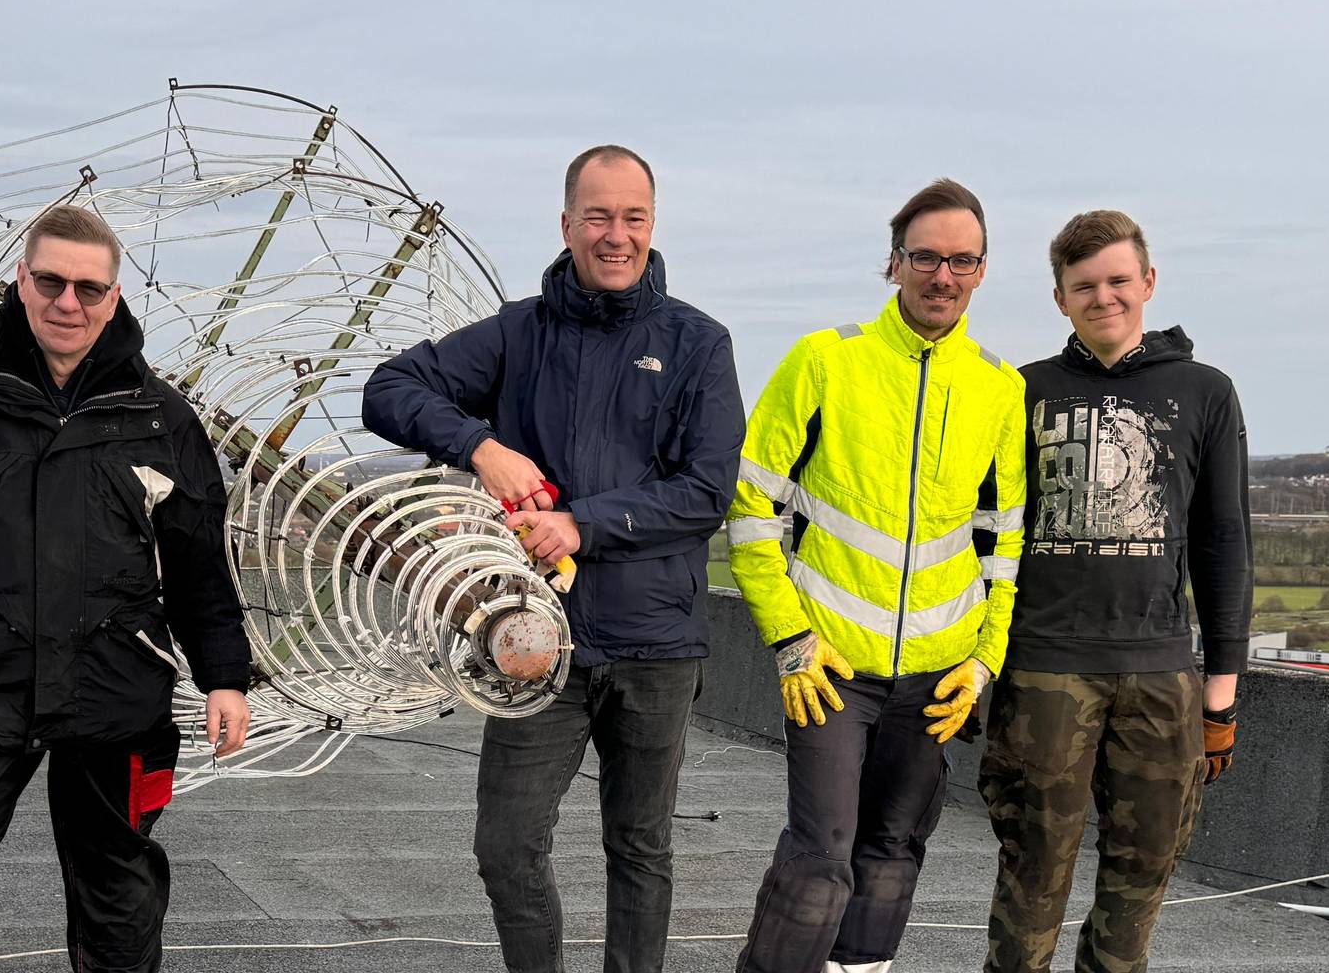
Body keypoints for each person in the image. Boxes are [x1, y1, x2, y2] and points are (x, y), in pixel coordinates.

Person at [0, 204, 254, 973]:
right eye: (52, 281)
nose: (70, 303)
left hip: (117, 692)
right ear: (21, 280)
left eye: (89, 289)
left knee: (119, 899)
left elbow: (198, 562)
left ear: (115, 294)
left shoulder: (161, 418)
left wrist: (225, 675)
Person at [361, 145, 744, 973]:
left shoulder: (698, 344)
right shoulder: (516, 332)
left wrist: (584, 524)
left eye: (633, 217)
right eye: (598, 216)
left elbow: (707, 491)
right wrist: (481, 445)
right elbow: (388, 390)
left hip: (658, 646)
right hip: (532, 644)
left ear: (653, 224)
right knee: (505, 847)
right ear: (567, 224)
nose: (616, 235)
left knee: (640, 849)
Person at [727, 178, 1029, 973]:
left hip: (937, 676)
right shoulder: (826, 360)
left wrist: (983, 659)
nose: (943, 276)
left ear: (983, 270)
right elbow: (752, 505)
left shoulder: (1002, 388)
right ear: (893, 263)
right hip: (831, 664)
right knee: (821, 856)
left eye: (962, 260)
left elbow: (1005, 541)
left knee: (893, 852)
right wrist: (788, 635)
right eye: (926, 256)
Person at [981, 209, 1252, 973]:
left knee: (1140, 883)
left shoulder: (1205, 391)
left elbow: (1224, 543)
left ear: (1149, 282)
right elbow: (983, 534)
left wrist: (1221, 695)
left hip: (1159, 673)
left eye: (1118, 280)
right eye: (1083, 286)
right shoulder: (1020, 391)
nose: (1104, 297)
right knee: (1031, 879)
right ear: (1060, 298)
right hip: (1041, 669)